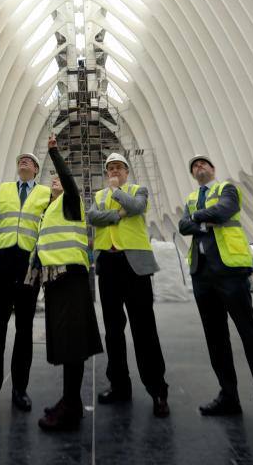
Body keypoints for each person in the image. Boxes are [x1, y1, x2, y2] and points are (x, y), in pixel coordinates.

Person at [178, 155, 253, 441]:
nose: (199, 168)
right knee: (216, 339)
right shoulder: (191, 197)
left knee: (249, 335)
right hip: (202, 274)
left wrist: (198, 218)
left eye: (204, 164)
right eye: (195, 166)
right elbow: (181, 226)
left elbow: (224, 211)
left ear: (213, 169)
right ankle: (229, 396)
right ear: (192, 174)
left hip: (229, 271)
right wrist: (201, 220)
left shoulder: (227, 188)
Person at [87, 153, 169, 417]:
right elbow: (92, 218)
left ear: (127, 171)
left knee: (144, 329)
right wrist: (116, 214)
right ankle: (119, 385)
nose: (113, 171)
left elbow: (135, 207)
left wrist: (116, 193)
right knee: (113, 330)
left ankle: (157, 390)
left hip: (134, 265)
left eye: (118, 168)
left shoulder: (138, 190)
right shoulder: (98, 196)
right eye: (110, 168)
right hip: (108, 265)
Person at [0, 152, 51, 419]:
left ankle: (20, 389)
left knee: (24, 329)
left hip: (30, 265)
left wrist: (42, 262)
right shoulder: (4, 189)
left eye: (29, 160)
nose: (23, 162)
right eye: (20, 160)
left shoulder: (44, 193)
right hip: (3, 263)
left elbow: (48, 227)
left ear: (37, 169)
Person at [34, 134, 102, 431]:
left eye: (58, 180)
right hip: (56, 283)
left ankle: (72, 407)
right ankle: (69, 400)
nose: (54, 182)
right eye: (52, 181)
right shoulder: (48, 211)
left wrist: (54, 154)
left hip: (71, 278)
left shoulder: (71, 203)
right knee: (66, 344)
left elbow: (68, 182)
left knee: (72, 344)